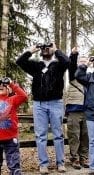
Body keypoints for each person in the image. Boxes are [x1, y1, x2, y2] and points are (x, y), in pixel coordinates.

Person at [16, 43, 69, 174]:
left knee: (58, 134)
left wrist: (56, 49)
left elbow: (67, 62)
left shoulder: (58, 65)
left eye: (48, 48)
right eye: (43, 48)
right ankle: (43, 164)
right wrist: (31, 50)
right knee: (40, 136)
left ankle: (60, 163)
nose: (45, 49)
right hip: (39, 104)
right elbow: (20, 61)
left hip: (56, 103)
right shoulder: (36, 66)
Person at [65, 47, 89, 170]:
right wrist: (74, 55)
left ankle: (83, 157)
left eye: (85, 61)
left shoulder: (89, 76)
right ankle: (74, 158)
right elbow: (71, 65)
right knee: (74, 135)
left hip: (87, 111)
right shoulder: (73, 75)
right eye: (81, 61)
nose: (83, 63)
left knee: (86, 135)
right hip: (74, 109)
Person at [0, 77, 28, 175]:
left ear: (9, 90)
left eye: (4, 85)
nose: (1, 86)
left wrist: (11, 83)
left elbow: (24, 96)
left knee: (14, 166)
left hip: (11, 138)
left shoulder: (12, 100)